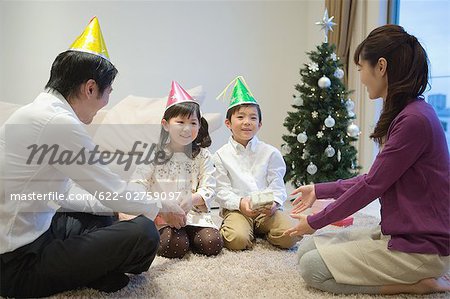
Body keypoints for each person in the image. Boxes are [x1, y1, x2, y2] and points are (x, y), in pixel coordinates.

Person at [0, 17, 181, 297]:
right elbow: (111, 188)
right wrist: (160, 207)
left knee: (104, 219)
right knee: (144, 232)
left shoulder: (37, 113)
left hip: (33, 233)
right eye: (108, 92)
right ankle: (97, 271)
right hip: (16, 265)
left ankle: (96, 270)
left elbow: (62, 194)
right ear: (90, 88)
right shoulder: (58, 123)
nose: (105, 102)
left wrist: (114, 209)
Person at [284, 24, 450, 295]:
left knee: (312, 268)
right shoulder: (410, 113)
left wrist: (316, 221)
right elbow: (375, 180)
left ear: (381, 66)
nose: (361, 78)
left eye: (361, 68)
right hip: (400, 233)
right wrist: (318, 189)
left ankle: (418, 285)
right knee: (307, 249)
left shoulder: (414, 120)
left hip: (421, 248)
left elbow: (372, 186)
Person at [125, 81, 223, 258]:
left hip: (194, 214)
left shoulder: (203, 155)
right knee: (174, 246)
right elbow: (136, 186)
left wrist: (192, 199)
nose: (187, 128)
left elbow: (210, 188)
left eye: (193, 123)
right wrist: (161, 205)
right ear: (166, 124)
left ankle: (188, 235)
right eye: (180, 122)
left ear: (199, 125)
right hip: (163, 216)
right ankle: (181, 238)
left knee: (212, 244)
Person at [213, 76, 300, 251]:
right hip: (237, 209)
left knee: (291, 235)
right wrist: (240, 204)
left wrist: (275, 203)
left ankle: (262, 229)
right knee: (236, 240)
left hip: (267, 211)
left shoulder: (271, 153)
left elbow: (277, 185)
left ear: (259, 124)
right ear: (228, 123)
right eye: (241, 117)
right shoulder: (221, 155)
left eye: (253, 118)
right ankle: (244, 229)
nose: (247, 122)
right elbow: (221, 191)